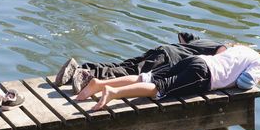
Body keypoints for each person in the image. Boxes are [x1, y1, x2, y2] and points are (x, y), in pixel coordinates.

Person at [74, 43, 260, 110]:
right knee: (160, 89)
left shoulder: (246, 49)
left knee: (146, 77)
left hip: (199, 61)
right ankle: (114, 92)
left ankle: (99, 83)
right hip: (205, 75)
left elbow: (220, 52)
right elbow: (245, 82)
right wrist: (238, 81)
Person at [55, 32, 246, 94]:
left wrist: (188, 48)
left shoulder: (205, 41)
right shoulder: (223, 51)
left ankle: (84, 68)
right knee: (127, 72)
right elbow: (220, 60)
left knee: (127, 66)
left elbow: (183, 35)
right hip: (168, 61)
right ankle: (87, 75)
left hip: (163, 49)